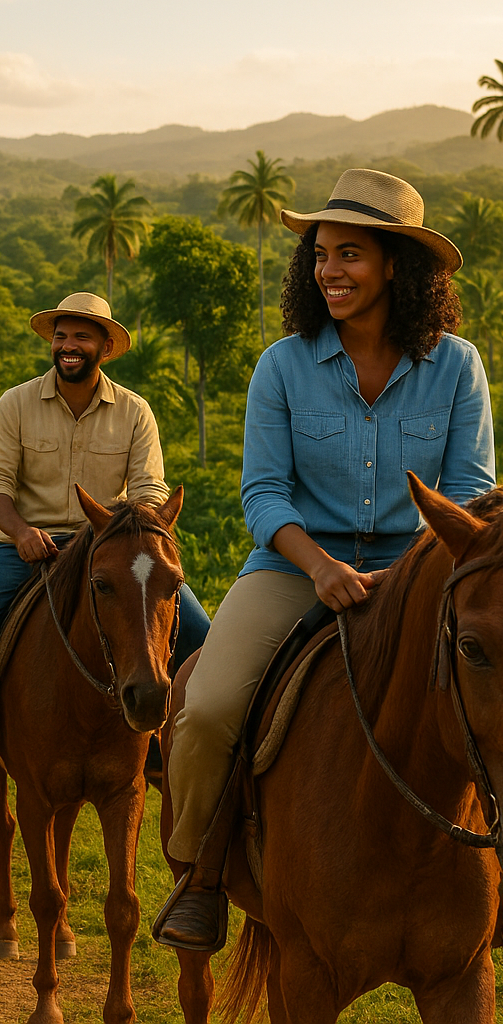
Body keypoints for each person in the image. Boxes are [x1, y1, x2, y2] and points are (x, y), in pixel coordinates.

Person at [157, 168, 497, 952]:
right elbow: (265, 495)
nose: (330, 271)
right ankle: (199, 874)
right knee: (205, 711)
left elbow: (470, 494)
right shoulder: (283, 365)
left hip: (421, 563)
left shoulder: (458, 367)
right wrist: (321, 569)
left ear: (396, 268)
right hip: (294, 566)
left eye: (350, 254)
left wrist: (409, 572)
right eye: (320, 255)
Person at [0, 291, 212, 801]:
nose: (68, 345)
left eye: (81, 336)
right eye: (61, 335)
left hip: (112, 545)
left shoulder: (134, 410)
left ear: (105, 347)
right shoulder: (15, 403)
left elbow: (150, 488)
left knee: (200, 633)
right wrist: (19, 531)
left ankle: (168, 743)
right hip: (27, 545)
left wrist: (126, 529)